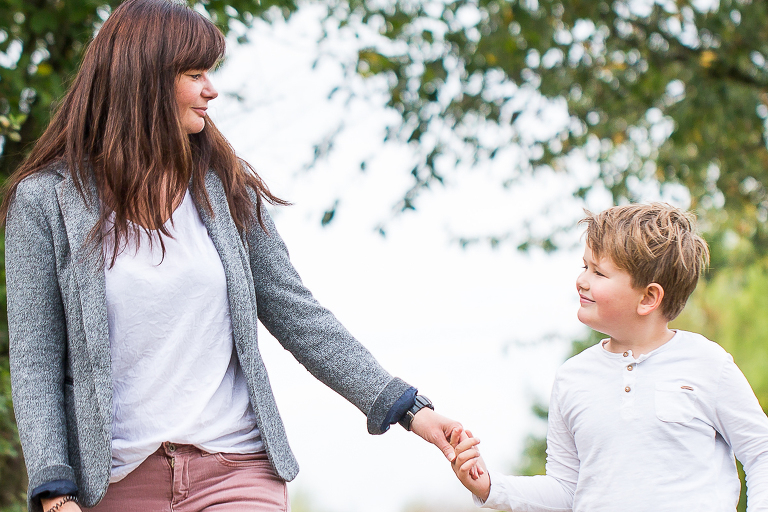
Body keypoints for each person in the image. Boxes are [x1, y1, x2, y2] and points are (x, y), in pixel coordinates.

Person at [0, 1, 466, 511]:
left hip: (236, 469)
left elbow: (297, 312)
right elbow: (36, 359)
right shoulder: (45, 200)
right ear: (144, 79)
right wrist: (55, 491)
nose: (211, 90)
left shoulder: (225, 187)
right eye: (195, 73)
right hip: (114, 484)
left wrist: (405, 406)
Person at [449, 203, 768, 511]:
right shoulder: (572, 378)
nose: (582, 280)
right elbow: (565, 489)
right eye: (584, 266)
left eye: (599, 272)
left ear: (648, 298)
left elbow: (760, 451)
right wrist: (490, 487)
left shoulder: (707, 364)